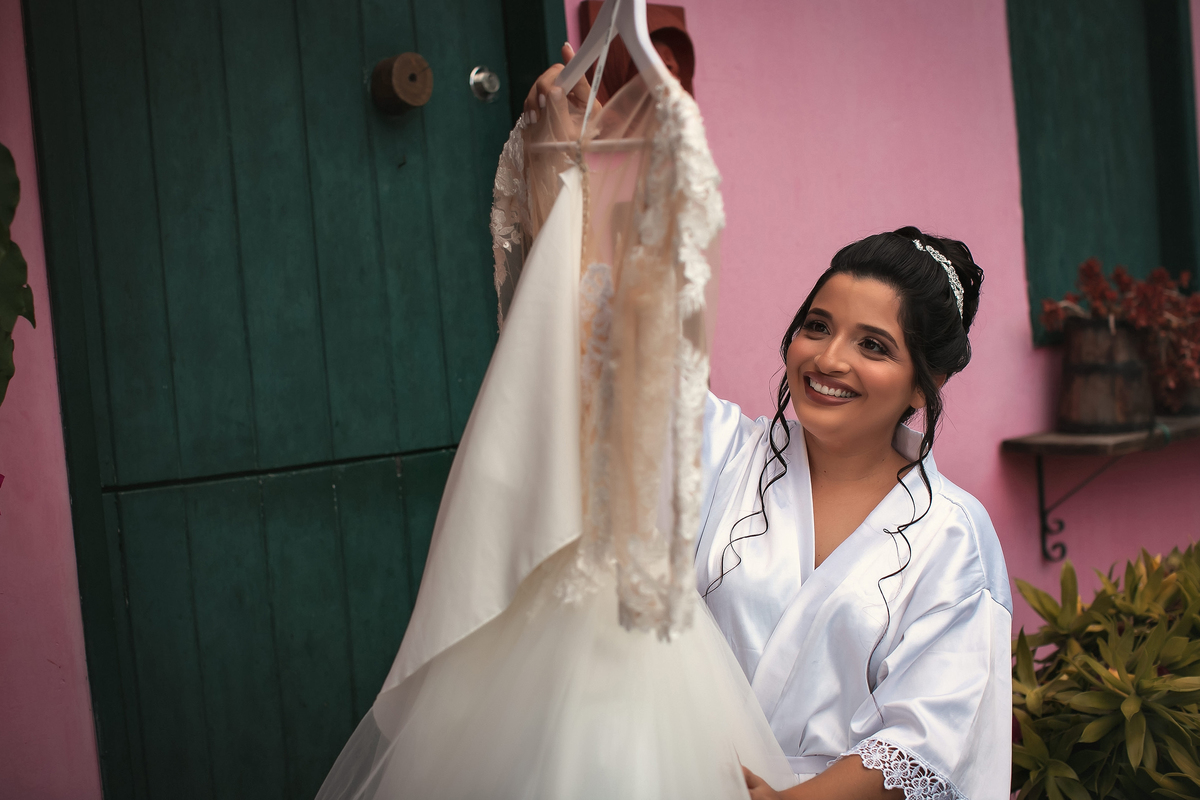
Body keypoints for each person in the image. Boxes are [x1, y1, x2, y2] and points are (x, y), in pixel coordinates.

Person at [522, 49, 1013, 800]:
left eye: (873, 345)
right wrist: (561, 161)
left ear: (927, 382)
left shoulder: (953, 536)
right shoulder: (719, 451)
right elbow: (605, 343)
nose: (829, 358)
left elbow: (924, 738)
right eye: (817, 326)